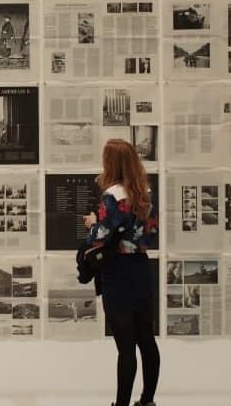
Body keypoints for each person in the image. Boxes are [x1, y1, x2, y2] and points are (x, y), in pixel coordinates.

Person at [80, 138, 160, 406]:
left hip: (119, 273)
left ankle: (122, 405)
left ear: (111, 163)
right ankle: (147, 401)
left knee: (125, 347)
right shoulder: (145, 193)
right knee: (146, 341)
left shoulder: (112, 195)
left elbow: (101, 237)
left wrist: (93, 223)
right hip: (141, 268)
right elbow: (151, 234)